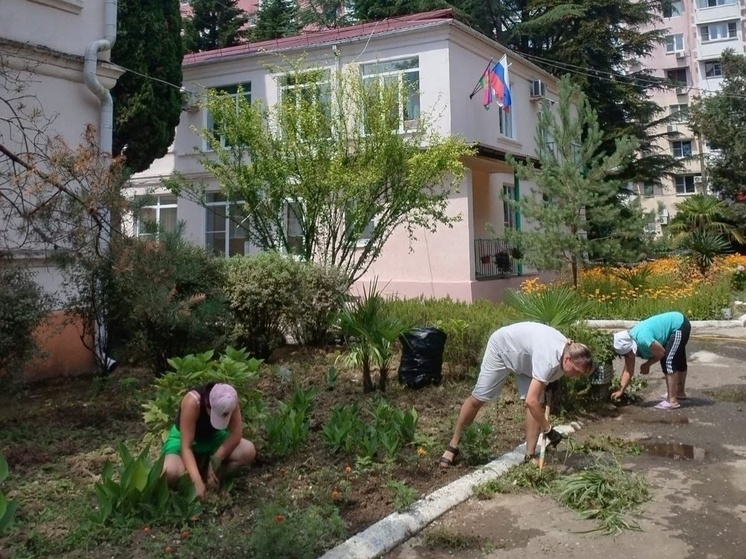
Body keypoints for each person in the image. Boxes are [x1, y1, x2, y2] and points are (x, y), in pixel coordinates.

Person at [439, 322, 594, 467]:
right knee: (479, 398)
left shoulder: (566, 352)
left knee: (538, 401)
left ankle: (530, 455)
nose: (576, 376)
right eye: (576, 371)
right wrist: (548, 429)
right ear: (567, 359)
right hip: (502, 348)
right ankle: (453, 445)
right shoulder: (548, 358)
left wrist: (550, 381)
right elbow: (530, 401)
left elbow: (538, 395)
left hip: (526, 359)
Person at [162, 382, 256, 499]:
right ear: (208, 405)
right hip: (183, 439)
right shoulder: (192, 402)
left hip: (213, 436)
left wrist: (216, 459)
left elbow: (236, 434)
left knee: (247, 450)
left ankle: (214, 479)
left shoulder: (229, 398)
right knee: (171, 472)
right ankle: (188, 487)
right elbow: (186, 447)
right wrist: (196, 481)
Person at [611, 311, 691, 410]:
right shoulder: (628, 345)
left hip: (679, 325)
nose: (628, 356)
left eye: (628, 353)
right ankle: (679, 392)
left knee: (668, 361)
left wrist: (647, 364)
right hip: (675, 325)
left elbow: (661, 353)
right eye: (624, 355)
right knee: (678, 358)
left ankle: (672, 401)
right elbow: (628, 371)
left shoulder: (643, 339)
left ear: (631, 347)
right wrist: (620, 390)